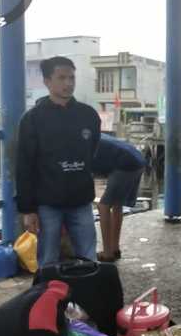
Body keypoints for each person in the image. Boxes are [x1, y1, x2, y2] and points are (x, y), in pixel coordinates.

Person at [16, 56, 101, 268]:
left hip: (81, 201)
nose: (68, 83)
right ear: (47, 81)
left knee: (89, 258)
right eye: (61, 77)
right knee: (47, 261)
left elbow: (92, 152)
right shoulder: (32, 119)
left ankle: (88, 298)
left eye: (71, 77)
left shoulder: (89, 115)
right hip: (47, 204)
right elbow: (24, 165)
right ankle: (49, 298)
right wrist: (28, 209)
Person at [92, 133, 146, 262]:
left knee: (103, 206)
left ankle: (107, 253)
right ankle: (114, 249)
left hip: (125, 164)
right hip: (137, 160)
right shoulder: (92, 134)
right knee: (117, 204)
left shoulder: (80, 145)